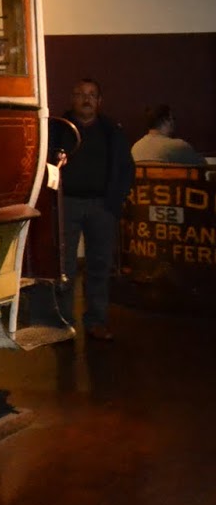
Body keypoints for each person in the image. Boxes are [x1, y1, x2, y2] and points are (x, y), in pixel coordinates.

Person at [56, 78, 135, 341]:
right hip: (66, 205)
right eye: (80, 94)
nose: (86, 99)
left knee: (100, 265)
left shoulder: (112, 131)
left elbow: (126, 169)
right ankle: (63, 324)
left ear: (100, 101)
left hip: (102, 207)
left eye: (92, 95)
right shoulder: (58, 129)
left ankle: (96, 321)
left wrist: (115, 201)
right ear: (72, 98)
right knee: (64, 267)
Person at [131, 104, 206, 166]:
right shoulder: (179, 146)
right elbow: (203, 166)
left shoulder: (135, 148)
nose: (173, 122)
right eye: (172, 118)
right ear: (166, 121)